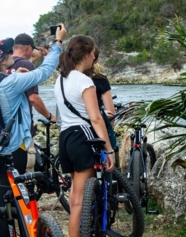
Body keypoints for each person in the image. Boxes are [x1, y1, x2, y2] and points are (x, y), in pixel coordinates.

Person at [0, 24, 67, 233]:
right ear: (3, 59)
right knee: (9, 205)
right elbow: (46, 70)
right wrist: (57, 42)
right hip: (13, 150)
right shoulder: (12, 82)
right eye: (8, 51)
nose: (12, 53)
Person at [54, 35, 115, 237]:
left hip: (65, 139)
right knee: (79, 201)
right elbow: (96, 119)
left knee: (75, 196)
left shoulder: (60, 80)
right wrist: (109, 150)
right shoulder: (84, 80)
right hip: (83, 137)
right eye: (93, 53)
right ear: (89, 55)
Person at [7, 33, 56, 170]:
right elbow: (33, 98)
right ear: (28, 48)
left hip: (3, 128)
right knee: (25, 170)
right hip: (21, 128)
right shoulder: (25, 64)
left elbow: (34, 55)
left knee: (8, 171)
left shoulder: (4, 63)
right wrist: (49, 116)